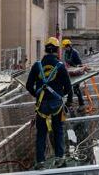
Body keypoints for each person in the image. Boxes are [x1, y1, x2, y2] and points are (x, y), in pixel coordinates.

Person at [26, 37, 73, 170]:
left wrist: (37, 95)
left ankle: (40, 161)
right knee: (58, 131)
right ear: (57, 50)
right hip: (56, 104)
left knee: (41, 133)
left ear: (45, 49)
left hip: (41, 105)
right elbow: (69, 87)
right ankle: (59, 158)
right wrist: (66, 99)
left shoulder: (37, 66)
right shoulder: (60, 66)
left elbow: (29, 85)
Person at [62, 39, 85, 109]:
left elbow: (80, 64)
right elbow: (66, 61)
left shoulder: (74, 53)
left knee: (76, 89)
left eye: (65, 47)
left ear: (68, 46)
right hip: (70, 72)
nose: (64, 48)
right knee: (68, 86)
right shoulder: (66, 52)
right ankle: (69, 101)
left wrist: (76, 68)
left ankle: (82, 104)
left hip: (77, 72)